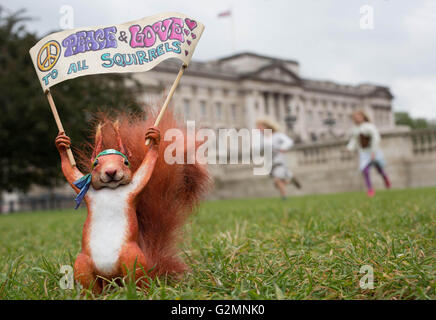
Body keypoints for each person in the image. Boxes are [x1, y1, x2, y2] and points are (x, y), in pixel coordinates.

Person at [347, 110, 391, 197]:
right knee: (365, 170)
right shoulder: (355, 129)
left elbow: (376, 138)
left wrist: (373, 151)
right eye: (355, 118)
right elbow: (354, 140)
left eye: (358, 117)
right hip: (364, 152)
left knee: (379, 168)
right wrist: (349, 148)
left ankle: (385, 178)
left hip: (373, 150)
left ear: (363, 117)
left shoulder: (370, 127)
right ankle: (370, 189)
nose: (356, 119)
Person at [256, 118, 302, 200]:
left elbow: (289, 142)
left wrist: (283, 148)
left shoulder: (277, 135)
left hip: (279, 160)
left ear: (266, 126)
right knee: (278, 181)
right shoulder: (262, 138)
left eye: (260, 127)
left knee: (277, 180)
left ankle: (284, 197)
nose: (259, 129)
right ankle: (291, 178)